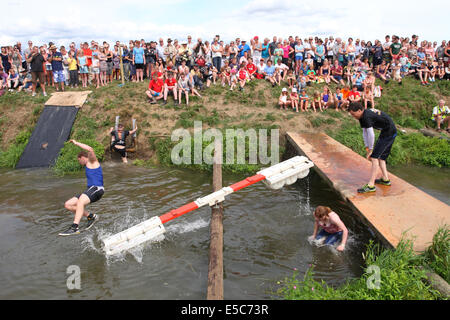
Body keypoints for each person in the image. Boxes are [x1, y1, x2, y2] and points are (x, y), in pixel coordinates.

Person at [348, 102, 397, 193]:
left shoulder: (366, 117)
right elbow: (365, 132)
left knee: (374, 157)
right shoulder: (362, 116)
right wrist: (367, 147)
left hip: (389, 133)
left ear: (359, 110)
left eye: (353, 114)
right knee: (381, 158)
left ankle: (371, 185)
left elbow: (371, 134)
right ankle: (385, 179)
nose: (353, 116)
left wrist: (370, 149)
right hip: (388, 131)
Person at [59, 140, 104, 236]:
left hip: (97, 189)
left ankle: (74, 227)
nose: (79, 162)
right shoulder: (87, 166)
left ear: (82, 157)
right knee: (68, 204)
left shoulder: (92, 162)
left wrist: (76, 143)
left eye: (78, 160)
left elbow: (90, 149)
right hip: (90, 189)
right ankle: (91, 216)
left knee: (80, 201)